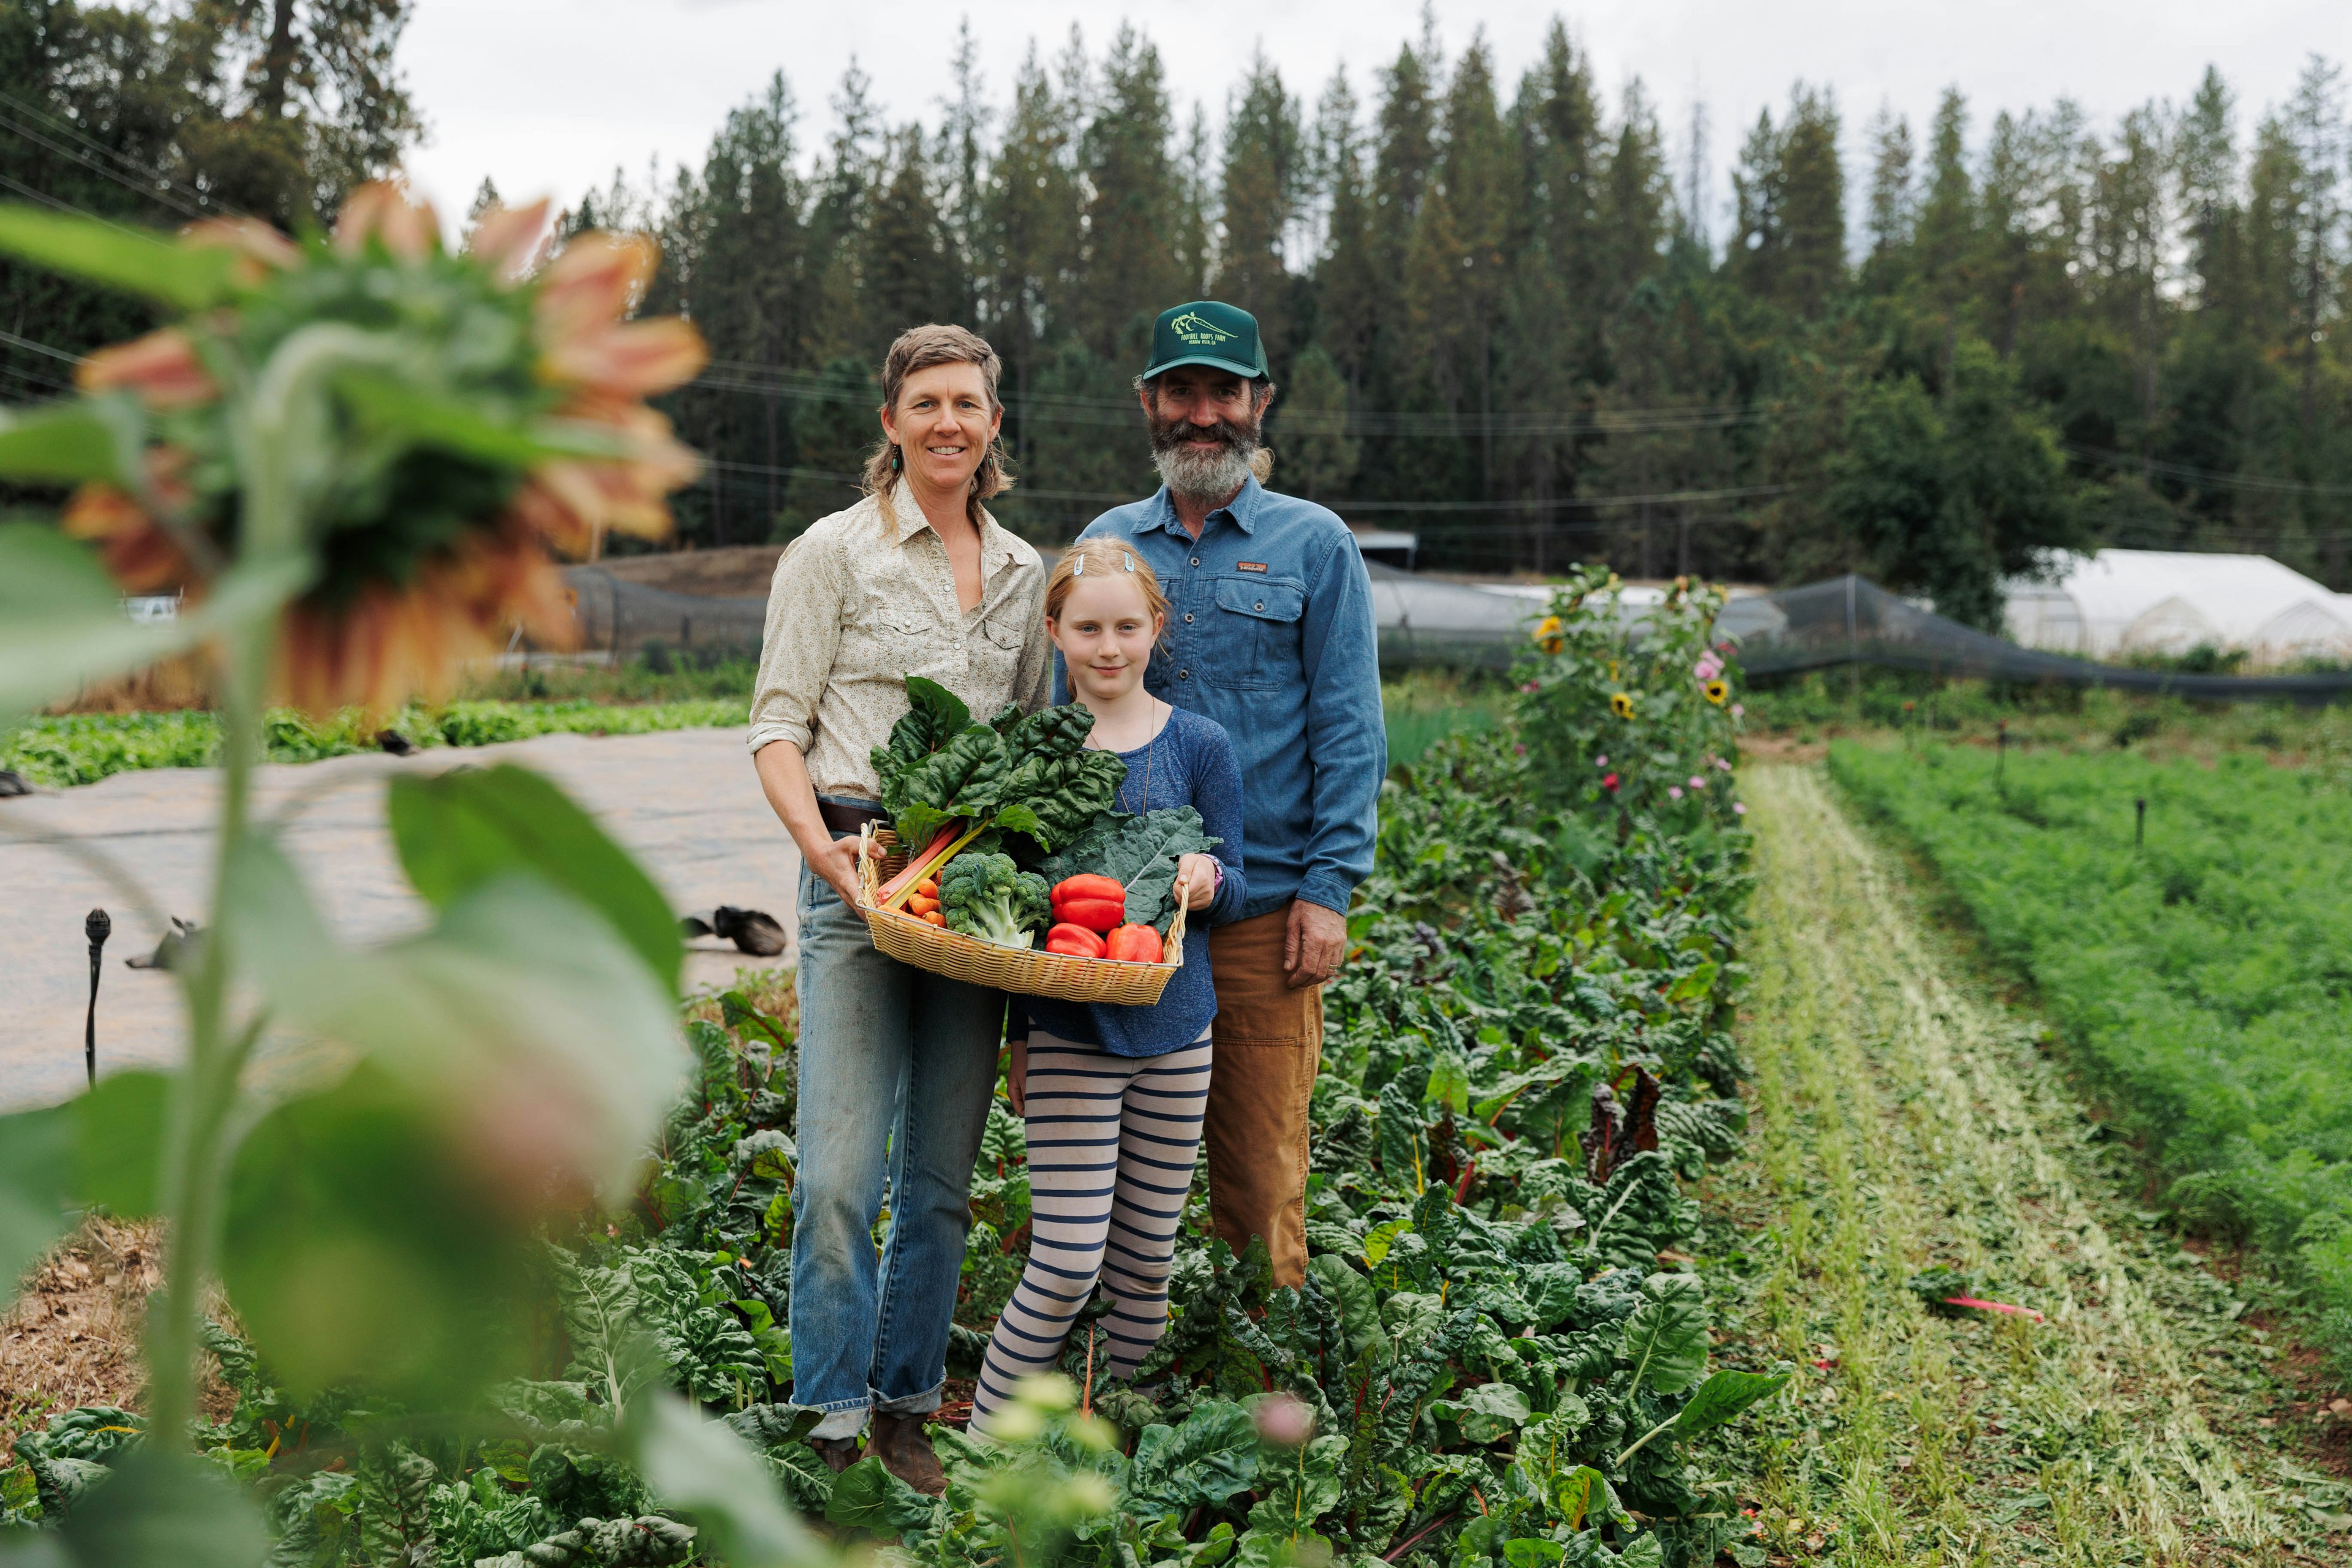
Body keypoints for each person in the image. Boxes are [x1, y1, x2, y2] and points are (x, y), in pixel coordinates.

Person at [746, 323, 1049, 1494]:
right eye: (925, 404)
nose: (947, 423)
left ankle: (906, 1408)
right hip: (861, 876)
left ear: (993, 424)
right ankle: (830, 1419)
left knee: (938, 1183)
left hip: (967, 890)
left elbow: (1028, 746)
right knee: (835, 1174)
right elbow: (777, 726)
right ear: (891, 423)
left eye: (966, 404)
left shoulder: (1023, 571)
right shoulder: (831, 552)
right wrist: (823, 853)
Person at [1068, 300, 1384, 1290]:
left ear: (1260, 402)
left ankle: (1261, 1370)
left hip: (1261, 919)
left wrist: (1329, 890)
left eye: (1223, 392)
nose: (1202, 414)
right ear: (1148, 403)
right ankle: (1126, 1364)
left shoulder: (1315, 544)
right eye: (1180, 391)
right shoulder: (1109, 545)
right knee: (1110, 1187)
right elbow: (1062, 733)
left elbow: (1350, 729)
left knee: (1258, 1177)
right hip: (1121, 923)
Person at [967, 540, 1246, 1436]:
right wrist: (1019, 1038)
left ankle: (1130, 1452)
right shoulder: (1035, 753)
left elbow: (1241, 882)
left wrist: (1209, 880)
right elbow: (1016, 915)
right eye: (1087, 628)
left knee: (1146, 1265)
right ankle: (983, 1454)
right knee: (1065, 1265)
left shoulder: (1201, 745)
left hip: (1179, 1035)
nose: (1109, 647)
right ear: (1054, 632)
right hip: (1070, 1037)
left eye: (1127, 626)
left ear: (1157, 627)